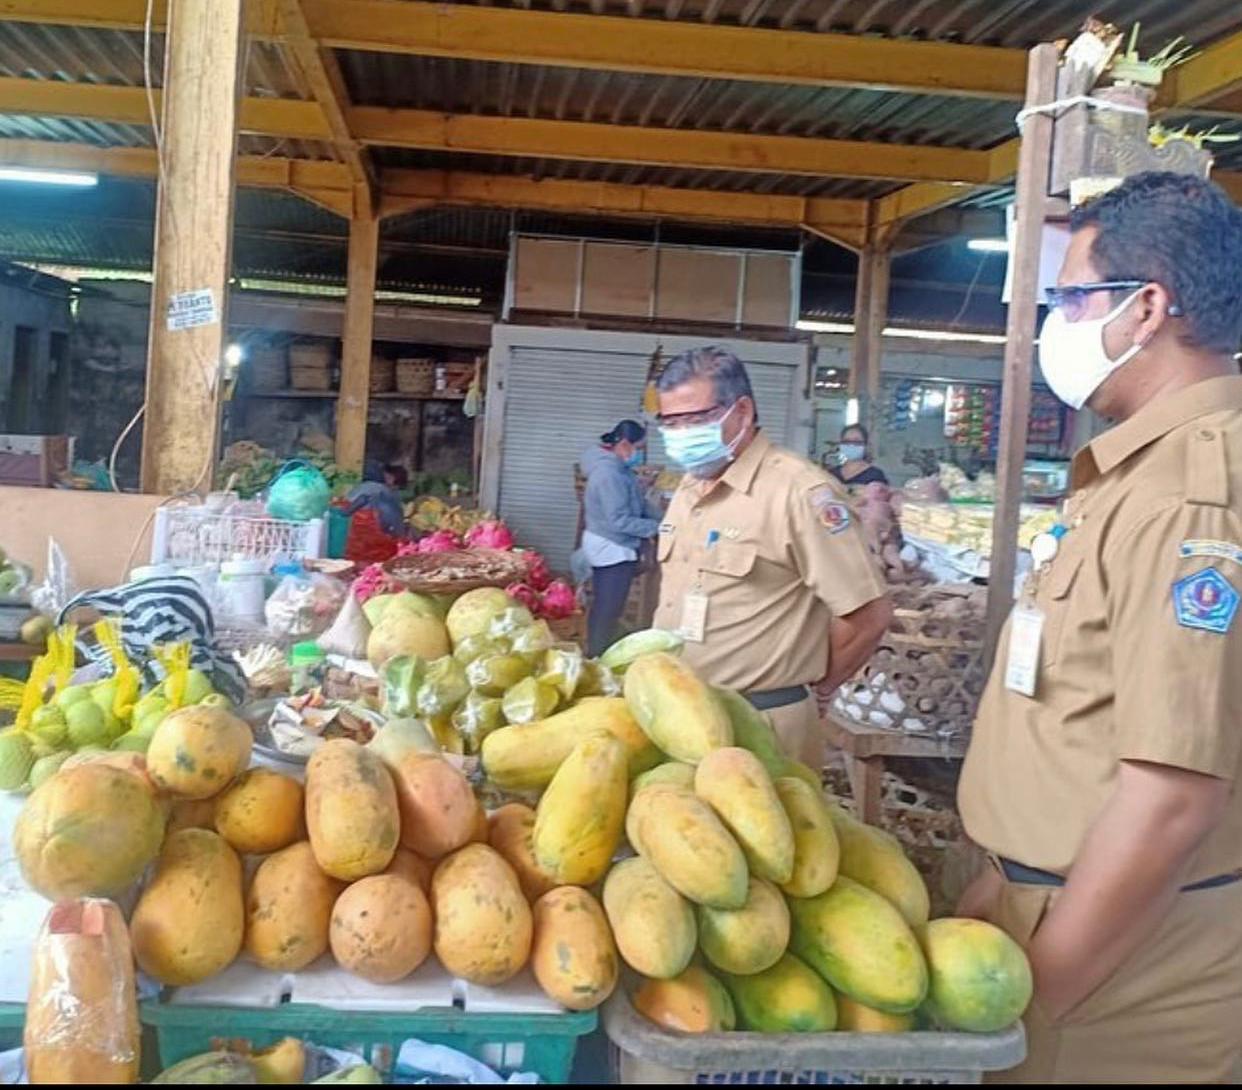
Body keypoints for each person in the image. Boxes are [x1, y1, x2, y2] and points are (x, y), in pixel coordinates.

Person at [955, 172, 1242, 1083]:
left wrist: (1037, 997)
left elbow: (1170, 801)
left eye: (1073, 298)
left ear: (1147, 306)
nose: (1059, 324)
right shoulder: (1126, 476)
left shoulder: (1192, 502)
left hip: (1107, 978)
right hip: (1039, 917)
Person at [652, 346, 893, 767]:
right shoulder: (690, 488)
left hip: (760, 724)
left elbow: (867, 613)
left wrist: (817, 690)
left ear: (742, 412)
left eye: (696, 419)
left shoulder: (799, 492)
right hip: (681, 717)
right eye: (671, 422)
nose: (681, 434)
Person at [579, 420, 660, 657]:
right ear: (624, 444)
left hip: (613, 543)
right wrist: (658, 528)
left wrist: (667, 518)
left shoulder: (619, 469)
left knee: (609, 604)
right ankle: (596, 656)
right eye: (639, 448)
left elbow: (639, 503)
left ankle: (600, 649)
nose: (640, 454)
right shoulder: (608, 475)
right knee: (608, 607)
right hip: (610, 546)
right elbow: (620, 521)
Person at [342, 461, 409, 562]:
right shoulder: (383, 493)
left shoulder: (368, 486)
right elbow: (396, 529)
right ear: (392, 479)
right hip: (364, 544)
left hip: (348, 542)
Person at [830, 424, 889, 488]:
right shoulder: (832, 474)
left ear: (865, 446)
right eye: (846, 441)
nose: (851, 445)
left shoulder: (875, 475)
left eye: (857, 442)